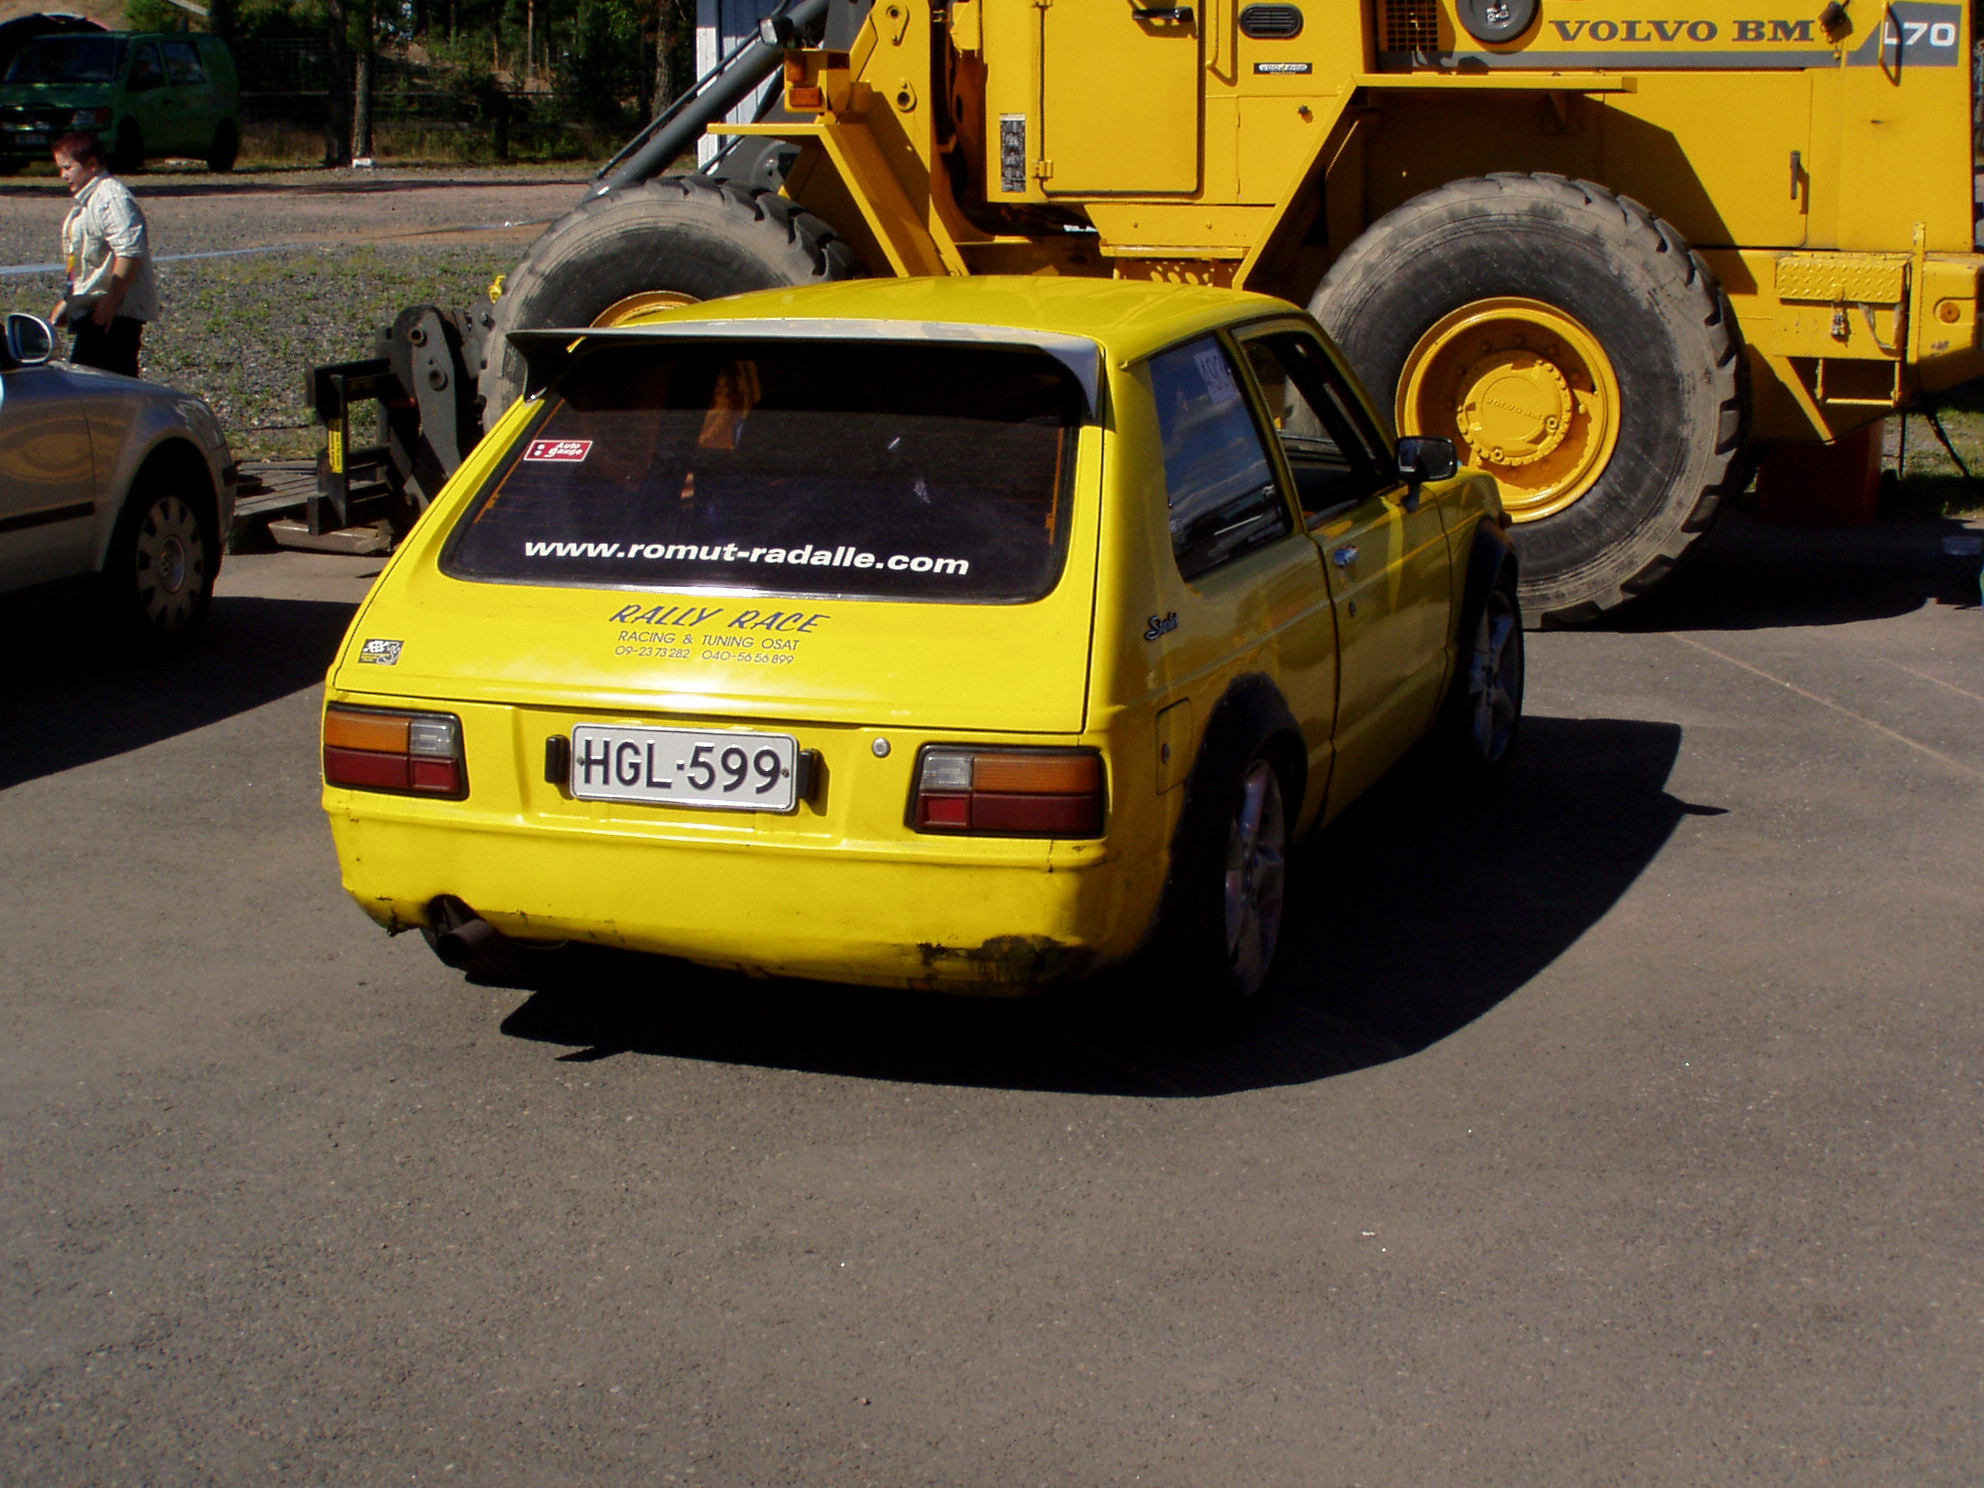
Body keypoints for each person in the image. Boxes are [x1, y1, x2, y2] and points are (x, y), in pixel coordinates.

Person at [47, 131, 157, 377]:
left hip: (114, 315)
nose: (62, 175)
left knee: (108, 388)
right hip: (93, 310)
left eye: (68, 167)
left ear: (92, 164)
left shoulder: (112, 198)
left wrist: (111, 301)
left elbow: (129, 252)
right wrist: (69, 302)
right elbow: (89, 265)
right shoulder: (88, 201)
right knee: (86, 382)